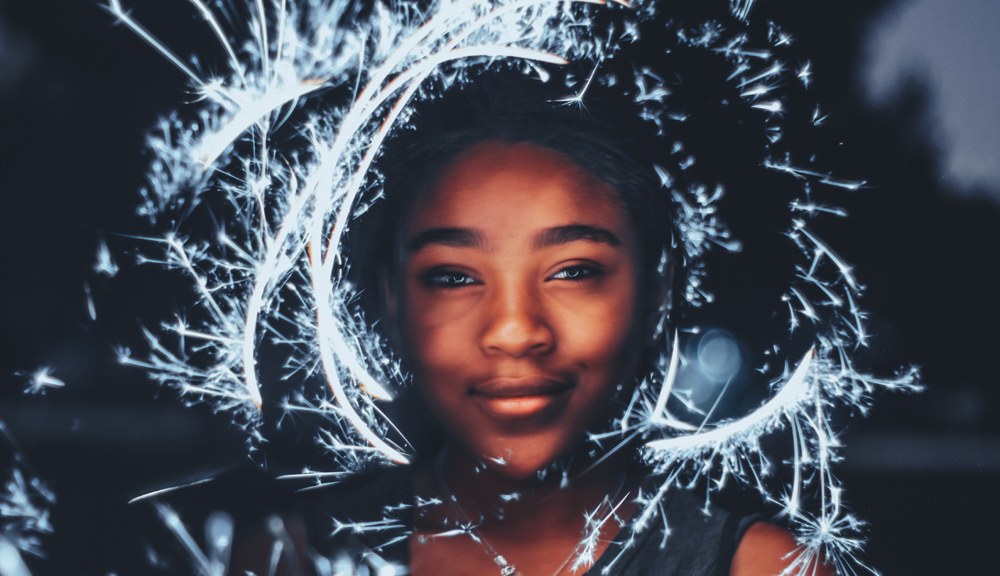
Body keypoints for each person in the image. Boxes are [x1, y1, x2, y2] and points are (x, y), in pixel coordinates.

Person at [229, 77, 833, 576]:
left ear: (657, 292)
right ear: (392, 299)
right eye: (455, 277)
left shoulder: (765, 570)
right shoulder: (294, 559)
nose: (516, 332)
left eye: (572, 272)